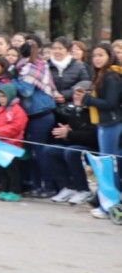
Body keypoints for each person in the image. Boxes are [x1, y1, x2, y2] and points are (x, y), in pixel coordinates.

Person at [74, 43, 122, 218]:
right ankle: (106, 203)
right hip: (103, 124)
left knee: (109, 166)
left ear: (109, 56)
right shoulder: (101, 75)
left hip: (112, 124)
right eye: (95, 55)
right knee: (106, 166)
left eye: (101, 55)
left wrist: (87, 99)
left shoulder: (112, 76)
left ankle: (111, 206)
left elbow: (111, 103)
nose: (97, 59)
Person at [13, 40, 58, 198]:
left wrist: (13, 81)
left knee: (39, 153)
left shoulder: (29, 67)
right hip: (38, 113)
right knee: (33, 152)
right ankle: (36, 184)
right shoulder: (41, 64)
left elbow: (26, 91)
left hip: (39, 114)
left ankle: (48, 186)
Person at [48, 80, 97, 205]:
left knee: (71, 152)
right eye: (75, 93)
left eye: (80, 93)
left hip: (94, 149)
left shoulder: (94, 112)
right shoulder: (75, 111)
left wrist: (69, 134)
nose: (76, 96)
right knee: (50, 150)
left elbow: (93, 137)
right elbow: (73, 132)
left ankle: (83, 190)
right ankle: (67, 187)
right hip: (77, 145)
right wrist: (65, 135)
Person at [0, 83, 28, 202]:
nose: (1, 99)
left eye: (4, 96)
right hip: (0, 146)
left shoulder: (18, 111)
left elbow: (16, 127)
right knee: (1, 169)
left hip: (12, 146)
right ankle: (4, 189)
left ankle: (15, 191)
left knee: (12, 170)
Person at [48, 36, 91, 104]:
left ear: (68, 51)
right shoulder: (46, 65)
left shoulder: (79, 66)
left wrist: (65, 95)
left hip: (71, 104)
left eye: (60, 48)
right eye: (54, 48)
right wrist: (54, 95)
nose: (56, 51)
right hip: (49, 104)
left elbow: (85, 83)